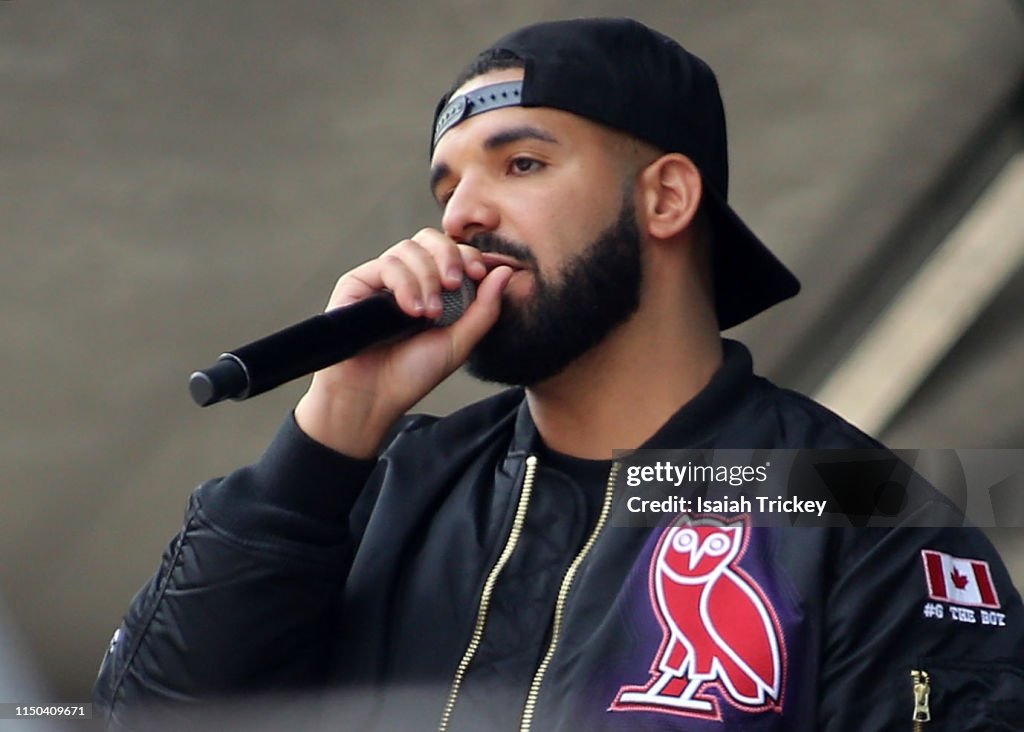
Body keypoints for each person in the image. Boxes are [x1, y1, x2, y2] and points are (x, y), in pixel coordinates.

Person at [94, 17, 1024, 731]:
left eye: (522, 163)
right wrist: (333, 422)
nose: (461, 216)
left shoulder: (858, 503)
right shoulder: (381, 487)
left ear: (665, 197)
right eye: (447, 187)